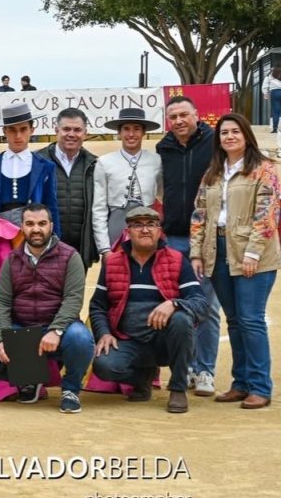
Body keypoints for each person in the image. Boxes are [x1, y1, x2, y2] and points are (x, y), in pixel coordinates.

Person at [190, 113, 280, 409]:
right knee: (235, 320)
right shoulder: (214, 172)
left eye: (234, 131)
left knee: (251, 319)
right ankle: (240, 383)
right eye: (224, 133)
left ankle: (259, 386)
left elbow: (267, 214)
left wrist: (253, 252)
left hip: (251, 251)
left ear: (246, 136)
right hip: (216, 249)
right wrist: (196, 252)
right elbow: (200, 214)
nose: (229, 137)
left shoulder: (264, 169)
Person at [91, 206, 208, 413]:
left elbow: (200, 303)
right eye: (138, 225)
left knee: (182, 320)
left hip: (165, 341)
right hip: (128, 340)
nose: (145, 230)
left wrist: (174, 304)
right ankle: (142, 377)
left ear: (159, 230)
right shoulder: (112, 263)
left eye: (151, 224)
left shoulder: (177, 259)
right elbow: (98, 305)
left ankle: (178, 388)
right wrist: (104, 333)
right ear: (128, 231)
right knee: (104, 366)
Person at [0, 203, 93, 413]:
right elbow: (1, 301)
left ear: (51, 225)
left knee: (81, 339)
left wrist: (56, 330)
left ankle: (70, 390)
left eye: (42, 223)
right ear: (22, 227)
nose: (36, 229)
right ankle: (30, 378)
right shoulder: (12, 259)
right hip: (23, 329)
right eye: (30, 224)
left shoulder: (70, 256)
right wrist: (2, 338)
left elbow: (73, 299)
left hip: (60, 330)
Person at [156, 95, 219, 396]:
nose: (179, 121)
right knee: (178, 305)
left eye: (184, 115)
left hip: (205, 239)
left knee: (206, 305)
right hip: (172, 238)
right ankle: (189, 368)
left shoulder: (215, 142)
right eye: (173, 117)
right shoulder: (163, 148)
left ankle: (205, 370)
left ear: (197, 114)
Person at [0, 102, 60, 233]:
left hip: (33, 234)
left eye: (23, 129)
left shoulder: (45, 167)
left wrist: (55, 241)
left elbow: (51, 207)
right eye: (12, 130)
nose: (18, 136)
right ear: (4, 131)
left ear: (31, 130)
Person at [92, 108, 162, 260]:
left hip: (148, 223)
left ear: (143, 132)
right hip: (117, 223)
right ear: (119, 132)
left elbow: (162, 196)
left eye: (136, 129)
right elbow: (99, 208)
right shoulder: (104, 162)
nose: (131, 134)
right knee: (116, 275)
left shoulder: (156, 160)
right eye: (126, 129)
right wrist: (104, 249)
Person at [35, 108, 99, 269]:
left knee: (74, 294)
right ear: (56, 130)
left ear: (85, 133)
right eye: (66, 129)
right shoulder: (36, 161)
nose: (71, 134)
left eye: (77, 130)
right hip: (42, 247)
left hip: (79, 250)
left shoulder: (95, 165)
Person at [261, 65, 281, 136]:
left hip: (274, 93)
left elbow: (265, 84)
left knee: (275, 111)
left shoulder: (270, 75)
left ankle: (275, 129)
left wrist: (265, 93)